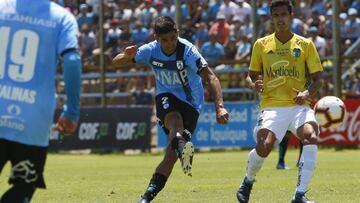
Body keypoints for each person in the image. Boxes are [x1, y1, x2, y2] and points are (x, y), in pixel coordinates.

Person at [112, 16, 229, 203]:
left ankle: (149, 194)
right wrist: (125, 56)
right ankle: (181, 149)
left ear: (177, 34)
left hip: (191, 103)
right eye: (164, 40)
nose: (169, 44)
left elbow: (211, 77)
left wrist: (220, 107)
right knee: (175, 121)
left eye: (172, 39)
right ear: (156, 37)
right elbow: (116, 62)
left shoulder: (188, 51)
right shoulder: (150, 50)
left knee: (170, 155)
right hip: (166, 96)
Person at [236, 1, 323, 203]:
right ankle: (248, 181)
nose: (280, 19)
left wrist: (306, 93)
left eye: (284, 14)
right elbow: (249, 76)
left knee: (310, 136)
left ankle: (299, 195)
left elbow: (319, 79)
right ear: (271, 18)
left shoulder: (305, 44)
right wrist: (253, 85)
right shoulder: (261, 44)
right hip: (272, 106)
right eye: (276, 15)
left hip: (299, 105)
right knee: (265, 146)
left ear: (291, 15)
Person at [0, 0, 82, 202]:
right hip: (33, 121)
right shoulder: (62, 18)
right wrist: (71, 111)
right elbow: (72, 61)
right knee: (22, 189)